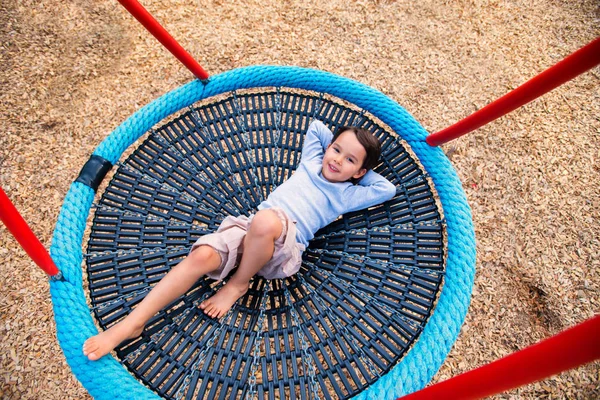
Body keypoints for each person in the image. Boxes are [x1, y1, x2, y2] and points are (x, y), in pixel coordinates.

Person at [83, 119, 396, 361]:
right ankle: (134, 322)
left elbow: (386, 190)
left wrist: (359, 173)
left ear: (360, 172)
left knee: (266, 220)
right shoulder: (311, 162)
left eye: (350, 161)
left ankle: (238, 283)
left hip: (284, 249)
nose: (338, 160)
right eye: (337, 149)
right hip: (251, 229)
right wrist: (341, 146)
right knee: (202, 255)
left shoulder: (347, 194)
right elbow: (316, 129)